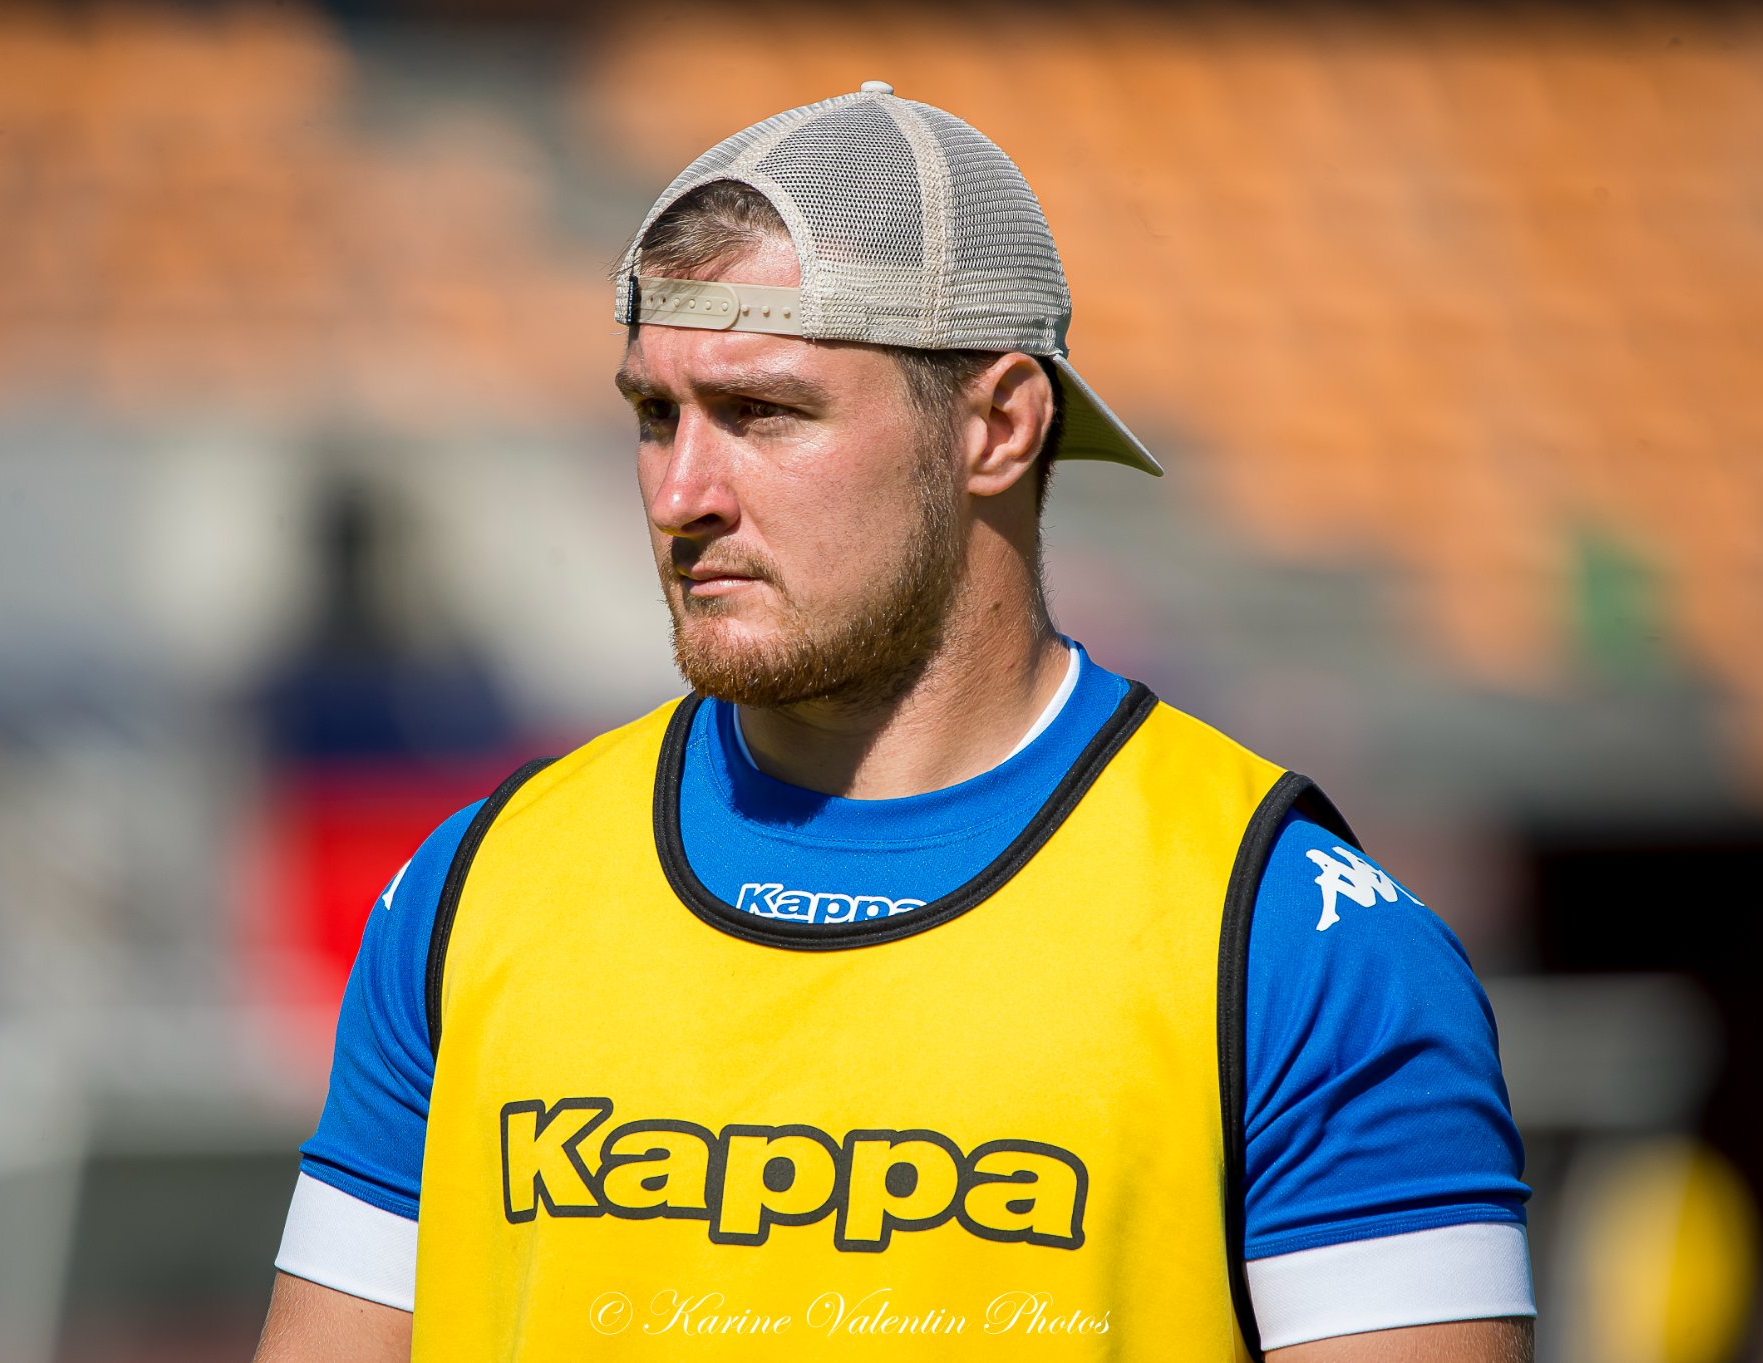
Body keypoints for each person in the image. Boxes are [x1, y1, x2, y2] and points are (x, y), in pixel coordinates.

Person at [252, 83, 1533, 1362]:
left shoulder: (1293, 939)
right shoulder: (477, 887)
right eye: (655, 415)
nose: (681, 491)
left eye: (762, 412)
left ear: (997, 425)